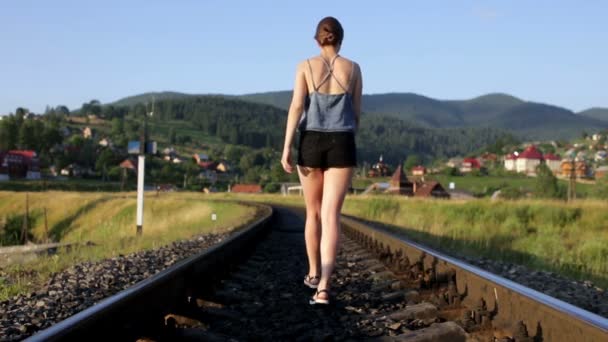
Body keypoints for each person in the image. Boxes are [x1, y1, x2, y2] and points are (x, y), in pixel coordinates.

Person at [281, 16, 362, 305]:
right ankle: (324, 286)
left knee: (312, 213)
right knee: (331, 216)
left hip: (311, 141)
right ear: (341, 39)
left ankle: (314, 272)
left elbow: (296, 106)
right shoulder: (353, 68)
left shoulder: (305, 66)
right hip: (342, 142)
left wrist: (287, 146)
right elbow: (356, 114)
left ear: (317, 39)